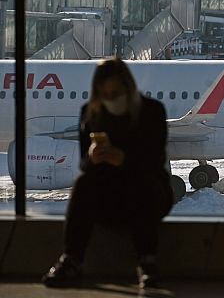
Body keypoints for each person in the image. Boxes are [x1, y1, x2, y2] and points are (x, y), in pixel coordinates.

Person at [42, 58, 173, 290]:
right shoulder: (91, 114)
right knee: (83, 183)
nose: (111, 99)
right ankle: (71, 259)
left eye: (116, 92)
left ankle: (147, 262)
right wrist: (92, 158)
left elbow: (156, 163)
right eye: (106, 94)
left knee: (141, 185)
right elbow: (84, 165)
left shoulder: (151, 111)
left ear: (128, 87)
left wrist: (124, 159)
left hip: (146, 192)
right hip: (108, 194)